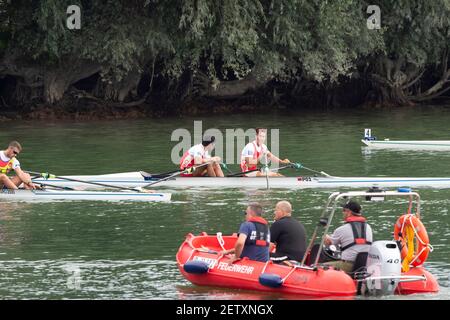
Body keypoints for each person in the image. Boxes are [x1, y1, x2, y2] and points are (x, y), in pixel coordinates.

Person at [324, 200, 373, 273]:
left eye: (344, 210)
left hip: (348, 265)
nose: (342, 213)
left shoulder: (342, 229)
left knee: (317, 267)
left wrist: (325, 233)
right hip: (365, 265)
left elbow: (328, 242)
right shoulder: (368, 227)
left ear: (349, 212)